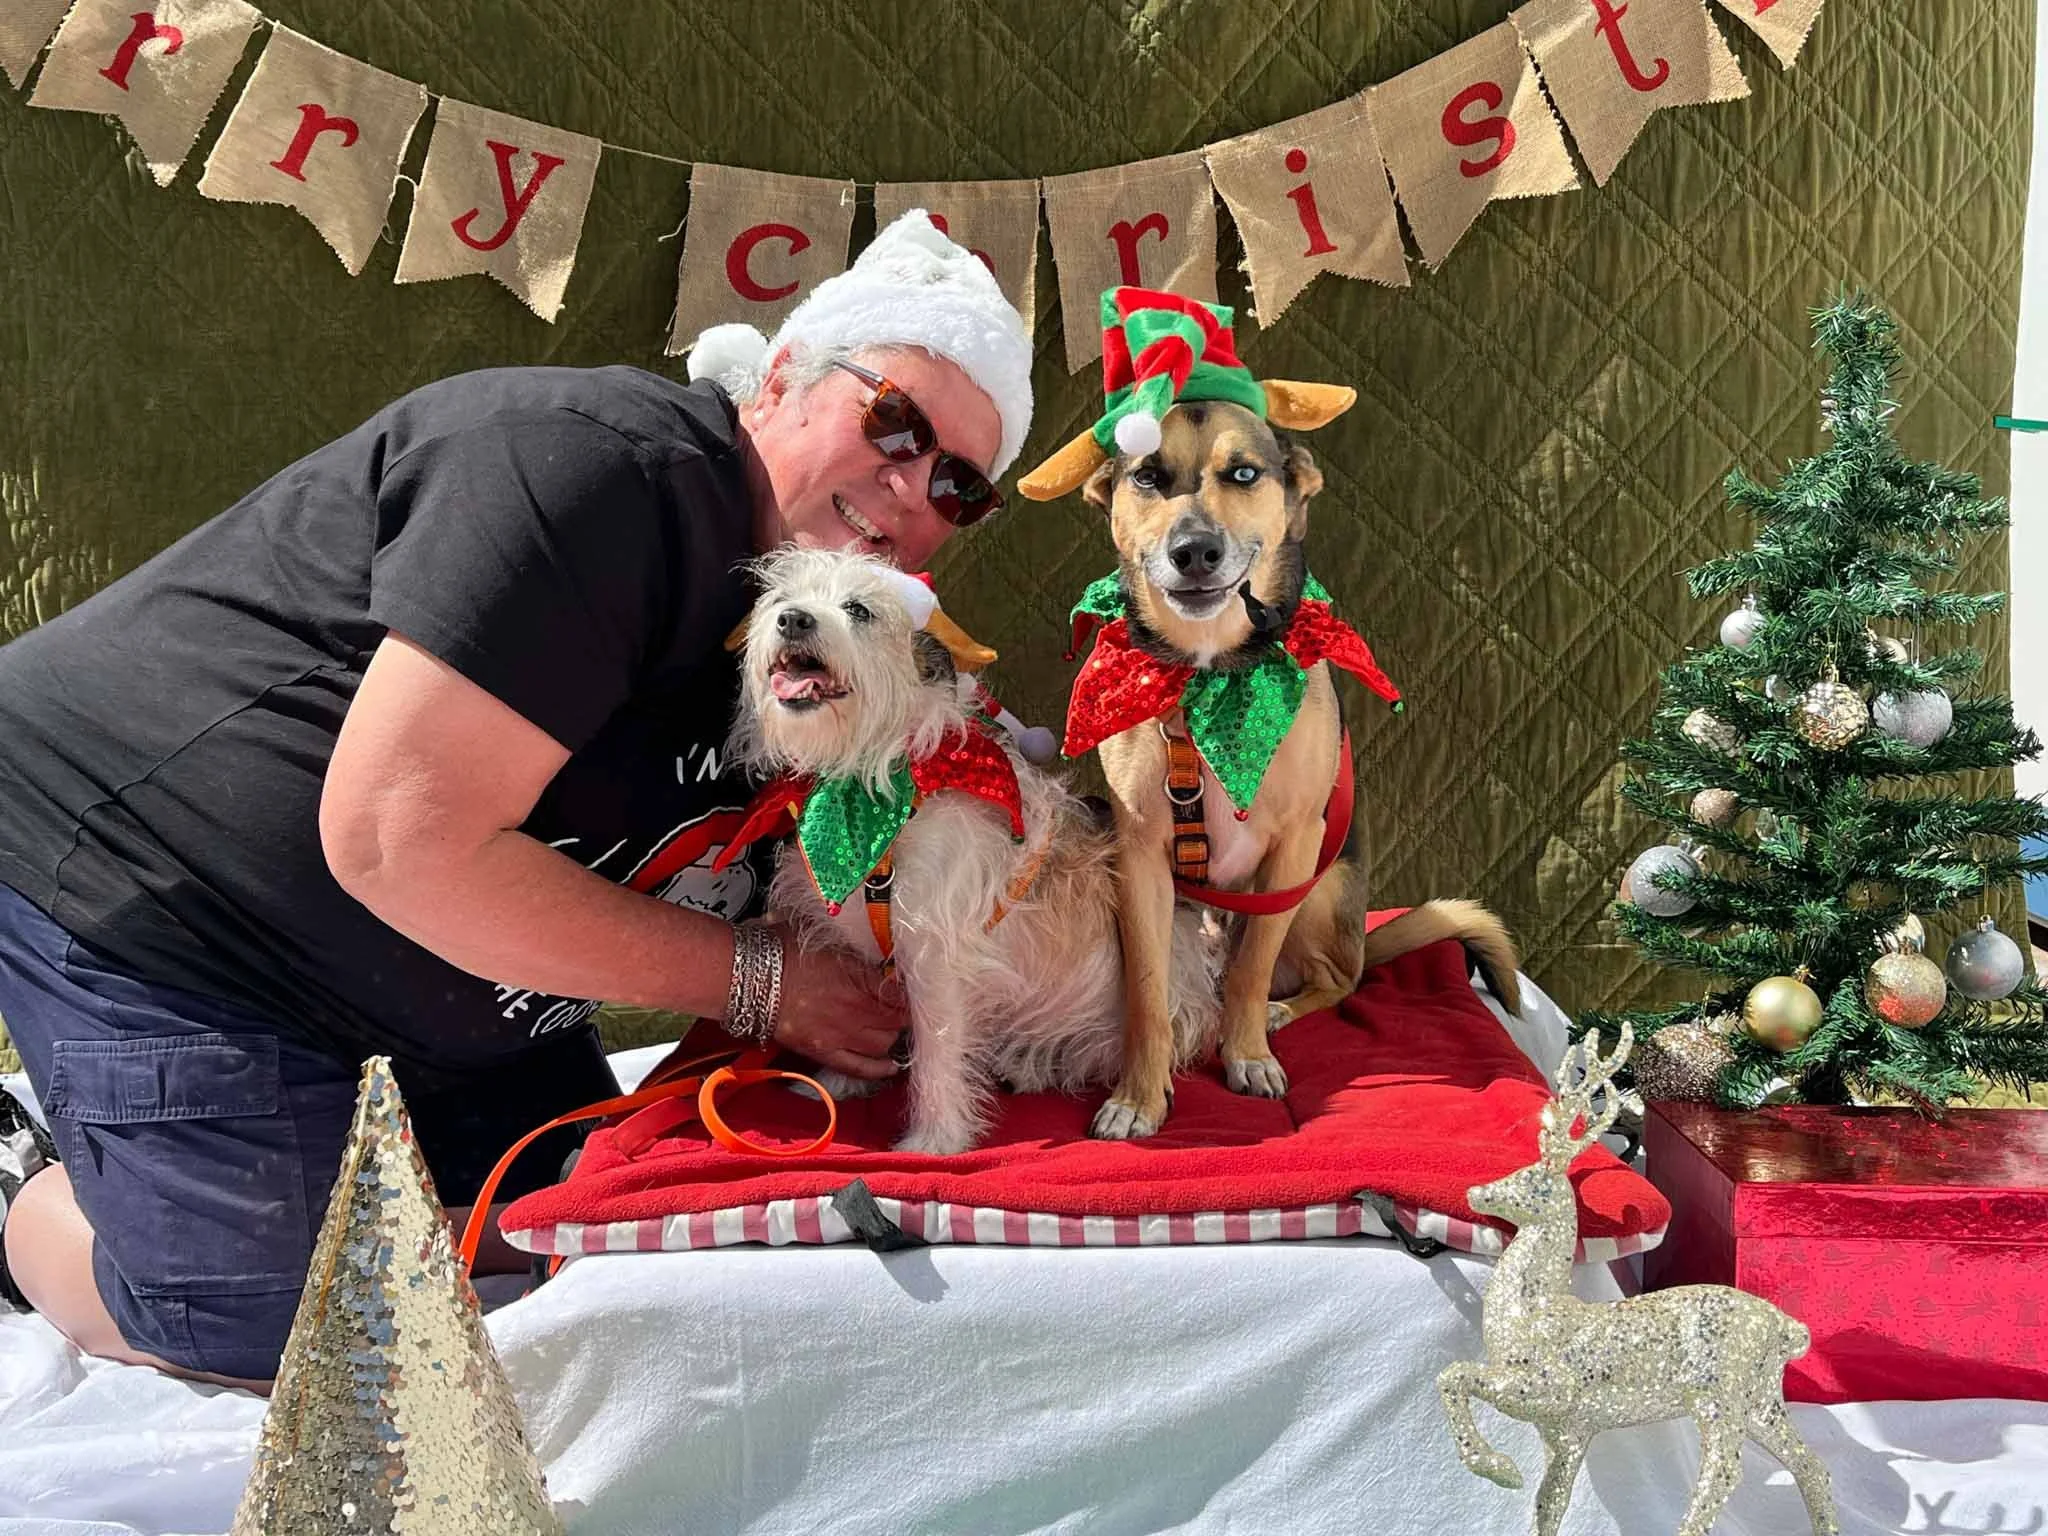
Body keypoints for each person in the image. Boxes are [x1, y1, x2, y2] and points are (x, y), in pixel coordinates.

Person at [0, 210, 1035, 1389]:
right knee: (303, 1327)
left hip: (460, 979)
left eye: (958, 484)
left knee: (615, 1228)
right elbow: (399, 840)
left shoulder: (828, 637)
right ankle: (18, 1191)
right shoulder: (595, 471)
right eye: (892, 420)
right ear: (785, 375)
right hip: (169, 904)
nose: (911, 482)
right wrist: (763, 982)